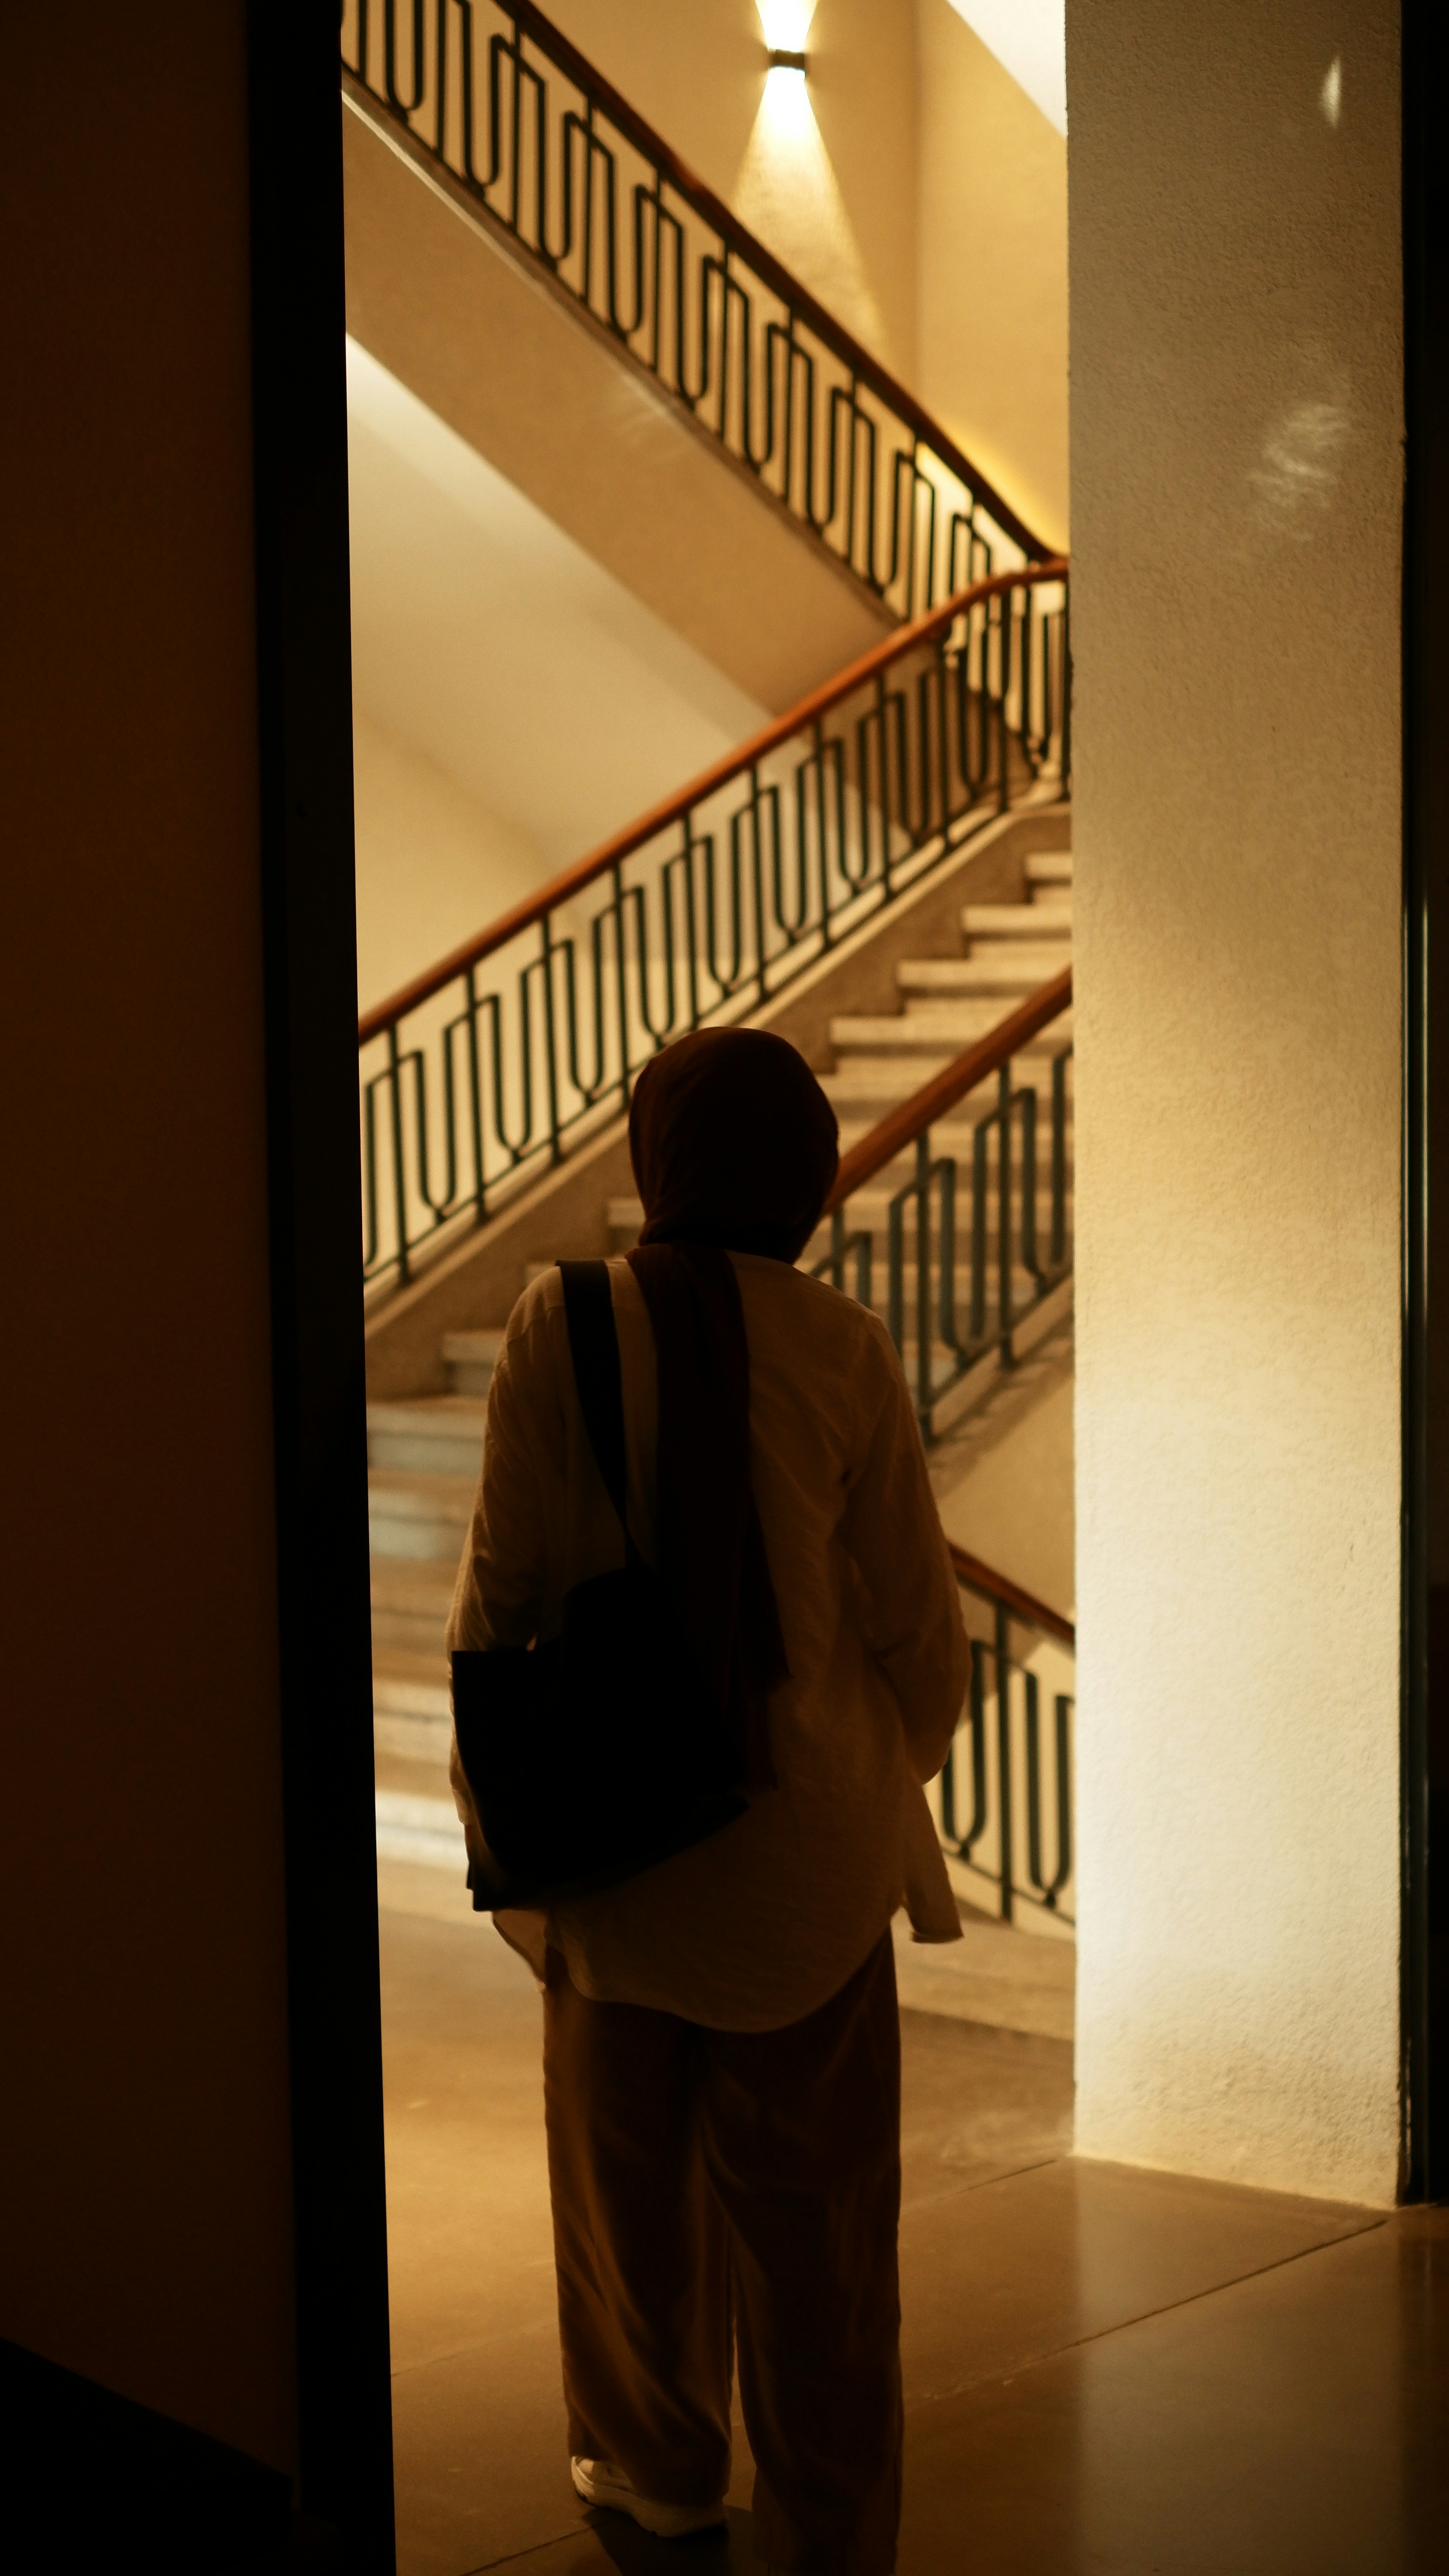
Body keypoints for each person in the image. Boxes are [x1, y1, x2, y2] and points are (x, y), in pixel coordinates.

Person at [447, 1027, 970, 2576]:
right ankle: (828, 2528)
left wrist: (513, 1831)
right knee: (820, 2246)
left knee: (627, 2211)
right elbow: (921, 1640)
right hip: (804, 1866)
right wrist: (866, 1785)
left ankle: (655, 2472)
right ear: (804, 1179)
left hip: (615, 1849)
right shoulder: (846, 1347)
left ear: (654, 1156)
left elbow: (499, 1606)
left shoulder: (565, 1322)